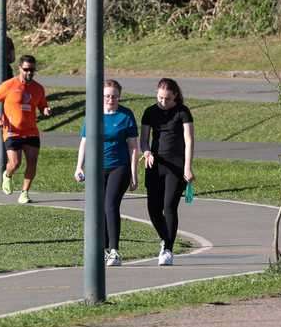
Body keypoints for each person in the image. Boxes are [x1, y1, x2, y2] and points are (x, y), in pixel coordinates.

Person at [76, 79, 139, 267]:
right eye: (107, 96)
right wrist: (79, 166)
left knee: (110, 205)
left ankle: (114, 251)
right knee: (99, 207)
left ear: (119, 97)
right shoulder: (94, 114)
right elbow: (84, 142)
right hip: (97, 167)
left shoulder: (125, 116)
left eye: (114, 96)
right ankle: (102, 249)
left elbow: (133, 147)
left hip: (119, 166)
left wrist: (134, 174)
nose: (110, 99)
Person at [140, 77, 195, 266]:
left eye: (167, 99)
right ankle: (165, 238)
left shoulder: (182, 112)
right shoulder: (150, 112)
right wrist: (146, 152)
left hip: (176, 165)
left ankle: (168, 249)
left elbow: (189, 140)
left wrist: (187, 167)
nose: (163, 102)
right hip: (155, 164)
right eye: (160, 98)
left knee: (169, 206)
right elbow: (144, 139)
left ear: (175, 96)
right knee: (153, 209)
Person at [0, 54, 50, 204]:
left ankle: (24, 193)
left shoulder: (38, 88)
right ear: (19, 68)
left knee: (32, 162)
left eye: (32, 70)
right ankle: (8, 175)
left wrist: (46, 110)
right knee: (15, 163)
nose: (29, 73)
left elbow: (42, 104)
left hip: (31, 131)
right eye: (26, 69)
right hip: (12, 131)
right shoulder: (9, 85)